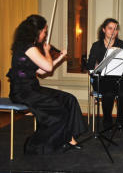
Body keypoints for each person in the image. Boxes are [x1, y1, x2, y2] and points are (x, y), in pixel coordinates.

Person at [6, 14, 87, 154]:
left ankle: (68, 136)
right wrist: (46, 51)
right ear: (37, 31)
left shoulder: (30, 48)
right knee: (59, 111)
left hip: (32, 88)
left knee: (68, 99)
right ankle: (35, 144)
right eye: (44, 31)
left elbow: (42, 71)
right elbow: (48, 68)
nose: (45, 34)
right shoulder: (28, 48)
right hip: (22, 92)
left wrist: (60, 57)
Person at [87, 18, 123, 129]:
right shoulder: (97, 46)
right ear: (104, 30)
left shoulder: (122, 44)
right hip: (102, 79)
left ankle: (120, 120)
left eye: (115, 29)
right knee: (108, 94)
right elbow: (89, 65)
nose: (113, 31)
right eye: (110, 28)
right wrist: (95, 66)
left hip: (119, 79)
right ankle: (107, 120)